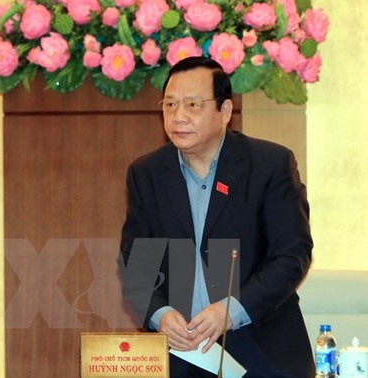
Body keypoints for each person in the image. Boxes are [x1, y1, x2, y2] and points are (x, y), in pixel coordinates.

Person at [119, 56, 314, 377]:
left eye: (192, 104)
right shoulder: (147, 173)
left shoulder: (269, 164)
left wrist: (231, 311)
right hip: (181, 356)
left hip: (263, 352)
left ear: (224, 111)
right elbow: (136, 266)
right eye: (169, 105)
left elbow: (291, 256)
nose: (178, 116)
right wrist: (161, 315)